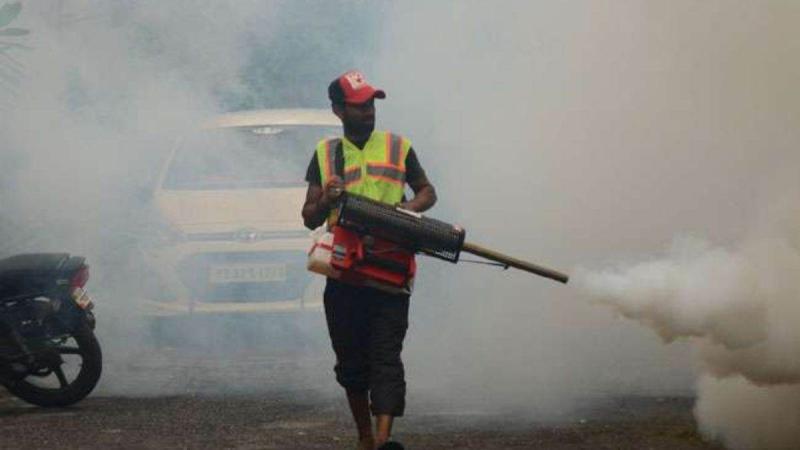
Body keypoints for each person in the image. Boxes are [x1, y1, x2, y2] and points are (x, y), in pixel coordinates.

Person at [302, 70, 437, 450]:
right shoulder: (325, 154)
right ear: (338, 110)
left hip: (391, 273)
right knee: (351, 362)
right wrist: (326, 199)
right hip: (344, 276)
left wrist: (409, 208)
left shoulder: (398, 146)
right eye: (359, 106)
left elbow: (428, 191)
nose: (368, 112)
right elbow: (309, 216)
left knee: (386, 357)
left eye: (371, 105)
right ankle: (365, 437)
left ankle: (381, 440)